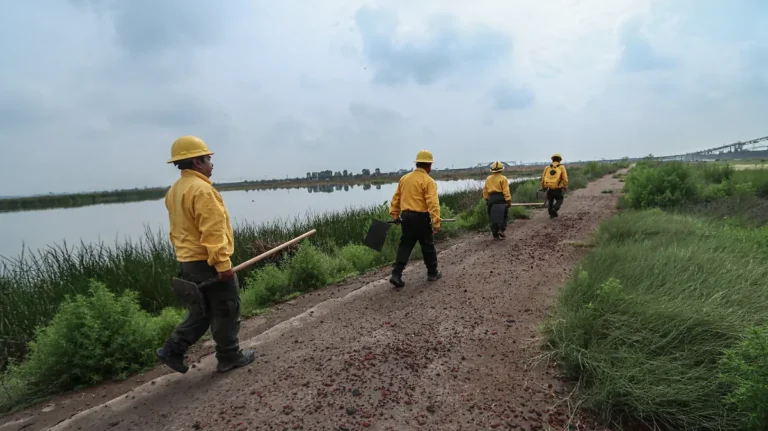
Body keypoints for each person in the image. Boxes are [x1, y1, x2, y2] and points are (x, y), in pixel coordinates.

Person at [155, 135, 255, 374]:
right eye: (208, 159)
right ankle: (229, 356)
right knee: (227, 307)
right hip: (208, 261)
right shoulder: (201, 190)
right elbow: (212, 232)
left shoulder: (175, 190)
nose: (212, 163)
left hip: (188, 262)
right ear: (197, 162)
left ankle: (172, 349)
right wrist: (222, 265)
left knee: (203, 310)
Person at [388, 150, 442, 288]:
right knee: (427, 245)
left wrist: (395, 214)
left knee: (405, 245)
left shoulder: (404, 179)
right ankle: (432, 273)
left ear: (417, 163)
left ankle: (396, 274)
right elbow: (433, 203)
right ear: (429, 165)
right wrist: (436, 221)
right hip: (421, 218)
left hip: (406, 217)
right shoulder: (428, 181)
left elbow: (396, 198)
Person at [483, 161, 512, 239]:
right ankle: (501, 229)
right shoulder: (503, 178)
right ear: (501, 170)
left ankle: (495, 234)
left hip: (491, 199)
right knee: (504, 215)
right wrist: (508, 201)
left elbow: (485, 190)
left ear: (492, 170)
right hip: (501, 198)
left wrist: (486, 199)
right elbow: (506, 191)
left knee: (493, 217)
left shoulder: (488, 179)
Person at [541, 153, 569, 218]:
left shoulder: (547, 168)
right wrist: (565, 186)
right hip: (558, 189)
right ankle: (555, 209)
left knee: (550, 200)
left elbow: (543, 178)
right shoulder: (561, 167)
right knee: (560, 199)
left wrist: (543, 186)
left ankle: (551, 213)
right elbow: (565, 178)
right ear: (559, 160)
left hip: (549, 188)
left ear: (552, 160)